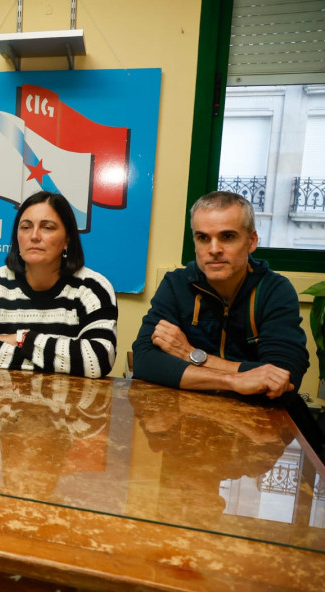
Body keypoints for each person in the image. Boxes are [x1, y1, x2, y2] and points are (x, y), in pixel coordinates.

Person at [132, 191, 323, 457]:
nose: (214, 249)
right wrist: (237, 381)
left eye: (227, 236)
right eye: (203, 238)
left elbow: (281, 380)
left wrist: (190, 355)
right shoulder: (176, 285)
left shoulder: (276, 290)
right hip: (187, 433)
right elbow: (145, 361)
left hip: (257, 436)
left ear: (252, 240)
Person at [0, 191, 118, 378]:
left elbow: (96, 360)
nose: (34, 236)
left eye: (47, 227)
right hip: (4, 402)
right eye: (25, 227)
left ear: (67, 239)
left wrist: (21, 338)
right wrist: (60, 358)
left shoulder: (93, 289)